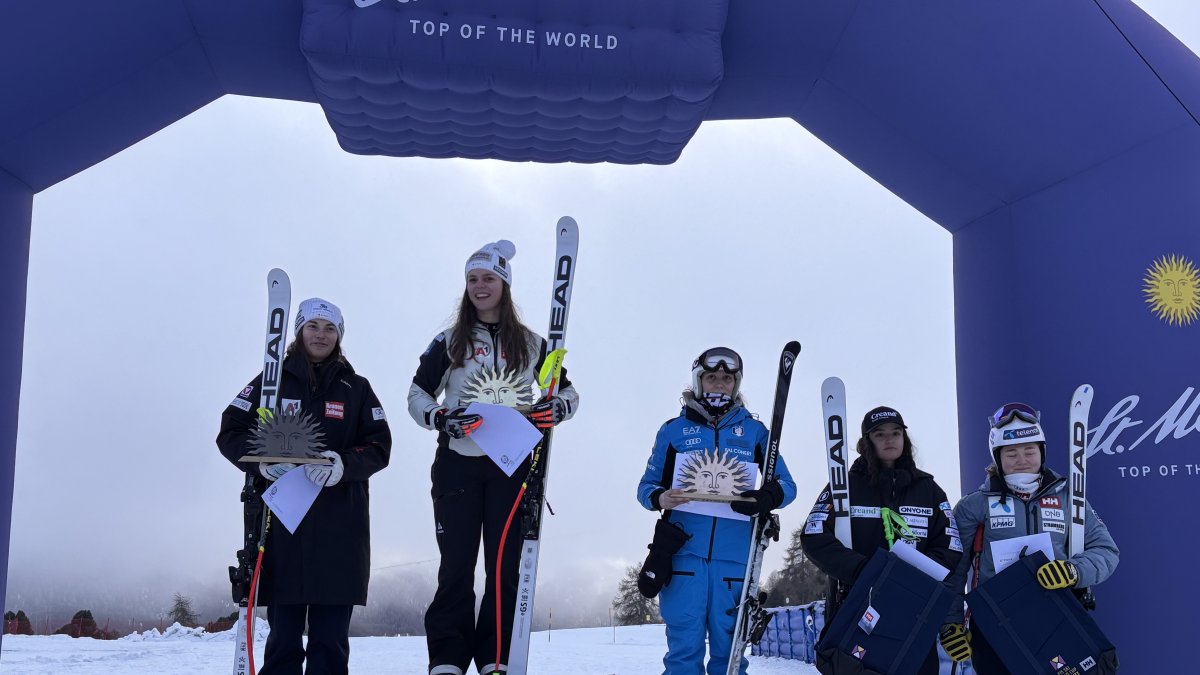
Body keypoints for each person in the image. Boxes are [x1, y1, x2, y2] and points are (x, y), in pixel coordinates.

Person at [408, 240, 580, 675]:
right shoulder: (449, 342)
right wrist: (439, 417)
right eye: (472, 279)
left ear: (505, 284)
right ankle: (447, 658)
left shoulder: (534, 344)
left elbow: (569, 393)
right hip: (458, 465)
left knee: (504, 567)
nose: (480, 286)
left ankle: (495, 657)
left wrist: (555, 408)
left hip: (513, 465)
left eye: (488, 278)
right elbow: (417, 395)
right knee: (456, 566)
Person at [218, 297, 392, 675]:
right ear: (298, 331)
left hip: (340, 531)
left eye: (330, 328)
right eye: (313, 326)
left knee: (329, 644)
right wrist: (261, 461)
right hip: (283, 530)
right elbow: (230, 430)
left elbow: (380, 446)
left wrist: (344, 465)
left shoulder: (356, 388)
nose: (321, 335)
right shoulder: (270, 382)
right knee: (282, 641)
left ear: (339, 336)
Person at [637, 347, 797, 675]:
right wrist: (660, 497)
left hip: (735, 563)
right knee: (683, 655)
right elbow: (646, 488)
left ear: (736, 384)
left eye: (727, 378)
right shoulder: (673, 430)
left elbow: (787, 486)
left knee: (731, 658)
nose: (719, 384)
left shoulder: (755, 433)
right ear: (699, 381)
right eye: (712, 377)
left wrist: (765, 497)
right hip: (684, 560)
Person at [938, 403, 1119, 674]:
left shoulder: (1069, 497)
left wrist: (1073, 571)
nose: (1021, 459)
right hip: (995, 623)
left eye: (1029, 450)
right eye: (1011, 453)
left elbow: (1106, 551)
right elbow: (955, 568)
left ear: (1041, 452)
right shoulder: (974, 505)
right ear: (997, 458)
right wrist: (950, 622)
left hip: (1057, 615)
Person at [801, 406, 961, 675]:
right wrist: (863, 570)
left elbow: (951, 546)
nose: (890, 439)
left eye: (896, 433)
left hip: (913, 607)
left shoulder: (929, 490)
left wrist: (911, 578)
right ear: (866, 443)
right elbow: (814, 535)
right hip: (857, 605)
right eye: (880, 434)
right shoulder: (845, 486)